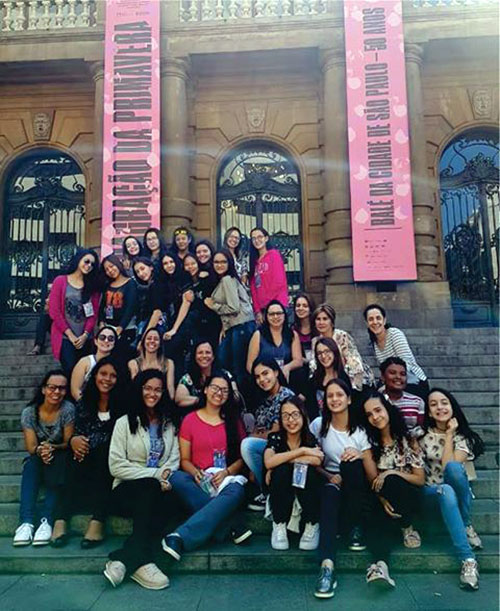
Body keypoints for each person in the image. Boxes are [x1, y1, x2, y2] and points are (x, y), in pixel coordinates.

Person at [162, 371, 251, 561]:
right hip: (198, 479)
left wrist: (227, 472)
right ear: (205, 390)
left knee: (237, 491)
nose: (219, 393)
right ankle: (228, 525)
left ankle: (180, 537)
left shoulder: (233, 421)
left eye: (225, 390)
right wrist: (195, 473)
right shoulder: (190, 420)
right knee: (176, 478)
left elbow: (243, 458)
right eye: (215, 388)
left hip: (224, 479)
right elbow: (184, 459)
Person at [104, 369, 180, 590]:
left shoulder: (169, 423)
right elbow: (115, 465)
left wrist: (163, 476)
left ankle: (125, 560)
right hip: (126, 492)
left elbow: (174, 459)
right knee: (149, 488)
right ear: (139, 390)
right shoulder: (124, 423)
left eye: (157, 389)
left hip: (160, 489)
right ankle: (145, 561)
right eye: (147, 388)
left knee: (170, 502)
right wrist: (155, 475)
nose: (152, 393)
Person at [310, 378, 373, 598]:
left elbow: (372, 474)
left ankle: (356, 526)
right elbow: (314, 461)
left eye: (339, 395)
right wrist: (329, 475)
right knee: (329, 490)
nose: (334, 399)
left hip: (355, 488)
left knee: (350, 462)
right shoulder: (319, 426)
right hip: (329, 487)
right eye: (330, 396)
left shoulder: (361, 431)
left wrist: (361, 455)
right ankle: (327, 567)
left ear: (349, 399)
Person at [52, 358, 121, 548]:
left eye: (113, 375)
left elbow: (119, 437)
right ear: (95, 376)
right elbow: (79, 430)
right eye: (103, 374)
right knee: (73, 455)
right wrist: (74, 439)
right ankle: (60, 519)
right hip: (84, 462)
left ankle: (97, 521)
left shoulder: (123, 405)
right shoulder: (84, 402)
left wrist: (88, 442)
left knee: (104, 450)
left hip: (109, 464)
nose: (107, 379)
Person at [419, 388, 484, 590]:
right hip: (430, 494)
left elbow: (449, 468)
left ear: (452, 406)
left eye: (444, 402)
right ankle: (466, 527)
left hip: (454, 493)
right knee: (443, 490)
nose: (440, 407)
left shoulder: (464, 438)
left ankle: (468, 561)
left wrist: (449, 435)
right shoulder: (421, 438)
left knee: (455, 471)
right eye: (434, 404)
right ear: (428, 412)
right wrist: (447, 434)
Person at [360, 391, 425, 590]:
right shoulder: (369, 445)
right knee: (375, 512)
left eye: (378, 410)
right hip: (384, 500)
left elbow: (419, 479)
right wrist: (382, 501)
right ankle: (381, 566)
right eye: (369, 414)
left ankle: (407, 526)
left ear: (388, 409)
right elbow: (374, 483)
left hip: (409, 496)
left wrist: (390, 472)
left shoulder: (408, 439)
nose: (375, 417)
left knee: (393, 480)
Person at [13, 370, 74, 547]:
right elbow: (31, 447)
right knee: (31, 465)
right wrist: (42, 450)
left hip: (61, 453)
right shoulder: (29, 413)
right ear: (43, 389)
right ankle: (26, 522)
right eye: (52, 387)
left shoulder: (68, 409)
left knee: (58, 465)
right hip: (39, 455)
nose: (57, 392)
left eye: (62, 388)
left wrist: (51, 448)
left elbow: (68, 442)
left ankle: (47, 520)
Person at [264, 396, 323, 551]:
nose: (291, 420)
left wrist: (283, 459)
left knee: (306, 470)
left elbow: (317, 460)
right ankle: (279, 524)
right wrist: (302, 452)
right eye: (285, 416)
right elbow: (269, 461)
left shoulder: (309, 439)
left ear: (303, 415)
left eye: (295, 414)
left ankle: (312, 524)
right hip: (282, 491)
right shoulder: (275, 438)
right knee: (281, 471)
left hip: (306, 490)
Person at [240, 358, 295, 511]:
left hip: (283, 446)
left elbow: (276, 431)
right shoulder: (263, 399)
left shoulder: (286, 396)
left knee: (247, 445)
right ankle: (266, 491)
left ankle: (268, 492)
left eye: (265, 374)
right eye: (257, 377)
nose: (262, 380)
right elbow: (259, 429)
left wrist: (257, 436)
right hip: (267, 447)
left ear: (276, 372)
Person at [204, 248, 256, 386]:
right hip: (235, 327)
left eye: (223, 261)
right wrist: (224, 327)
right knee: (226, 363)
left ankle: (243, 403)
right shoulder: (225, 280)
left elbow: (234, 308)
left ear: (229, 263)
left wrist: (213, 305)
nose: (219, 265)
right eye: (216, 262)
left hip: (241, 327)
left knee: (238, 369)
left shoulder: (227, 280)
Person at [48, 248, 100, 377]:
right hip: (65, 338)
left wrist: (85, 335)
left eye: (92, 264)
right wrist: (70, 335)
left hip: (85, 339)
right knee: (70, 370)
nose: (89, 266)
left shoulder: (91, 285)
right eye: (87, 261)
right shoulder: (60, 281)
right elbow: (54, 311)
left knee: (85, 375)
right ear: (78, 260)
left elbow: (92, 314)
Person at [363, 304, 429, 398]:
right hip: (394, 384)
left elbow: (406, 364)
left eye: (378, 318)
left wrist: (387, 385)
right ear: (367, 323)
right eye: (371, 319)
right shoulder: (375, 342)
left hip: (413, 382)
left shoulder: (394, 334)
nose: (375, 322)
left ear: (384, 320)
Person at [312, 304, 374, 392]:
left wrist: (352, 389)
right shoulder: (315, 341)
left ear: (332, 321)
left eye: (325, 319)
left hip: (352, 379)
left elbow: (355, 364)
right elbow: (314, 365)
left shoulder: (342, 336)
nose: (321, 322)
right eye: (318, 319)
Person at [246, 300, 302, 383]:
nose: (275, 317)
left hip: (286, 379)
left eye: (279, 313)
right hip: (263, 382)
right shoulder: (258, 335)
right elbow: (249, 365)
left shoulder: (292, 334)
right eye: (271, 314)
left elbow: (298, 361)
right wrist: (261, 377)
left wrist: (287, 367)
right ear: (266, 316)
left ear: (284, 315)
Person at [99, 255, 138, 360]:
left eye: (111, 266)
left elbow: (130, 308)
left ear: (117, 264)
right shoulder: (107, 284)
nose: (110, 271)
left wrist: (120, 329)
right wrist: (101, 323)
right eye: (107, 269)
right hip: (108, 328)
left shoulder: (130, 283)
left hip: (125, 330)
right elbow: (103, 306)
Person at [249, 227, 288, 322]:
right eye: (254, 238)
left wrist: (268, 305)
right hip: (262, 310)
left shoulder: (274, 255)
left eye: (260, 237)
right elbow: (253, 287)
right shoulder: (254, 262)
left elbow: (278, 281)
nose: (257, 240)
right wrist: (257, 310)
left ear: (266, 238)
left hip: (277, 305)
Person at [305, 338, 350, 420]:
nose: (323, 356)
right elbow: (311, 409)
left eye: (327, 351)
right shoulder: (313, 380)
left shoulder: (344, 378)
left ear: (334, 352)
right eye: (319, 353)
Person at [183, 253, 221, 349]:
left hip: (212, 323)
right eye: (187, 265)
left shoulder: (207, 278)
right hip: (195, 325)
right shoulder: (186, 284)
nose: (190, 267)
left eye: (193, 263)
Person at [379, 357, 425, 437]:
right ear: (383, 377)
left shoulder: (417, 402)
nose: (398, 377)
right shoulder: (375, 401)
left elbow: (422, 428)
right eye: (392, 373)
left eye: (403, 374)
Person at [70, 325, 118, 401]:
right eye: (102, 337)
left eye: (110, 338)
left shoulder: (117, 364)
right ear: (96, 341)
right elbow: (75, 390)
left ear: (115, 343)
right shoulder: (85, 362)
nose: (106, 341)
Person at [129, 327, 175, 401]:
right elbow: (135, 390)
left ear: (160, 343)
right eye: (149, 338)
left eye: (156, 339)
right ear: (143, 342)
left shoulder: (168, 363)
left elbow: (171, 392)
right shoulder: (133, 363)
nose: (152, 341)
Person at [175, 339, 219, 411]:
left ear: (213, 356)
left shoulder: (224, 375)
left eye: (208, 352)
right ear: (195, 357)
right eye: (200, 353)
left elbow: (236, 396)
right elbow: (179, 399)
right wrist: (203, 400)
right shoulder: (187, 378)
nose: (204, 356)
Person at [131, 257, 156, 344]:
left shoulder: (157, 284)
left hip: (154, 328)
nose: (141, 273)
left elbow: (157, 312)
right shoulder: (143, 287)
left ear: (151, 267)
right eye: (137, 272)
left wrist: (145, 337)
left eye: (142, 269)